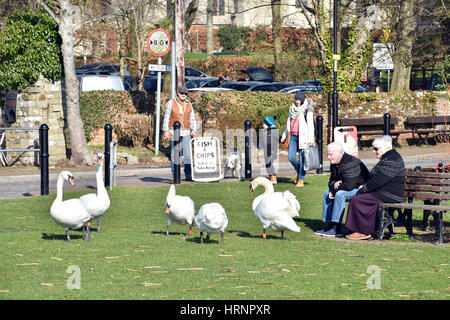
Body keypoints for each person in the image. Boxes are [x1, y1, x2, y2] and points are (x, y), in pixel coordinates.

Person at [345, 135, 405, 240]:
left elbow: (379, 181)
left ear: (385, 147)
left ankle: (364, 231)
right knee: (358, 198)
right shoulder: (388, 157)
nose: (374, 151)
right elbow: (375, 178)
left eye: (376, 149)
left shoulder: (392, 160)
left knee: (357, 199)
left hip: (390, 194)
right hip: (382, 192)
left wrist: (363, 189)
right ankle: (359, 230)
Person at [314, 142, 369, 237]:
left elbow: (348, 186)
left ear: (340, 153)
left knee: (340, 194)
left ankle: (336, 227)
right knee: (327, 193)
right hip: (349, 187)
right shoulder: (335, 163)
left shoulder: (350, 162)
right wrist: (333, 186)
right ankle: (329, 224)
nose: (328, 157)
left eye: (331, 154)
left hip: (361, 189)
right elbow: (331, 181)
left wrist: (336, 188)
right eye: (328, 154)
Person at [280, 91, 315, 187]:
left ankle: (301, 179)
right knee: (291, 157)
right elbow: (288, 122)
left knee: (302, 159)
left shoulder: (307, 110)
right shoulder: (292, 108)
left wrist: (311, 139)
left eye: (299, 100)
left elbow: (310, 125)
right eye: (296, 99)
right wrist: (284, 136)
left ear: (303, 100)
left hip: (303, 137)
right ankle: (300, 170)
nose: (297, 102)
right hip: (293, 136)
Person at [162, 85, 197, 181]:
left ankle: (188, 174)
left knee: (187, 155)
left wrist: (193, 129)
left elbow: (192, 118)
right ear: (178, 93)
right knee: (175, 154)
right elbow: (167, 117)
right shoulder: (171, 103)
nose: (184, 95)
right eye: (182, 93)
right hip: (174, 132)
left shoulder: (189, 104)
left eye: (185, 93)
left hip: (186, 132)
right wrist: (165, 130)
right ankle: (175, 175)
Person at [262, 115, 280, 184]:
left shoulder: (274, 131)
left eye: (264, 123)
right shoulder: (266, 131)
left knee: (269, 164)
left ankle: (273, 177)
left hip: (271, 151)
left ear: (268, 124)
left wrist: (282, 139)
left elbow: (279, 138)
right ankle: (271, 177)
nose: (263, 125)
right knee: (267, 164)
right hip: (267, 151)